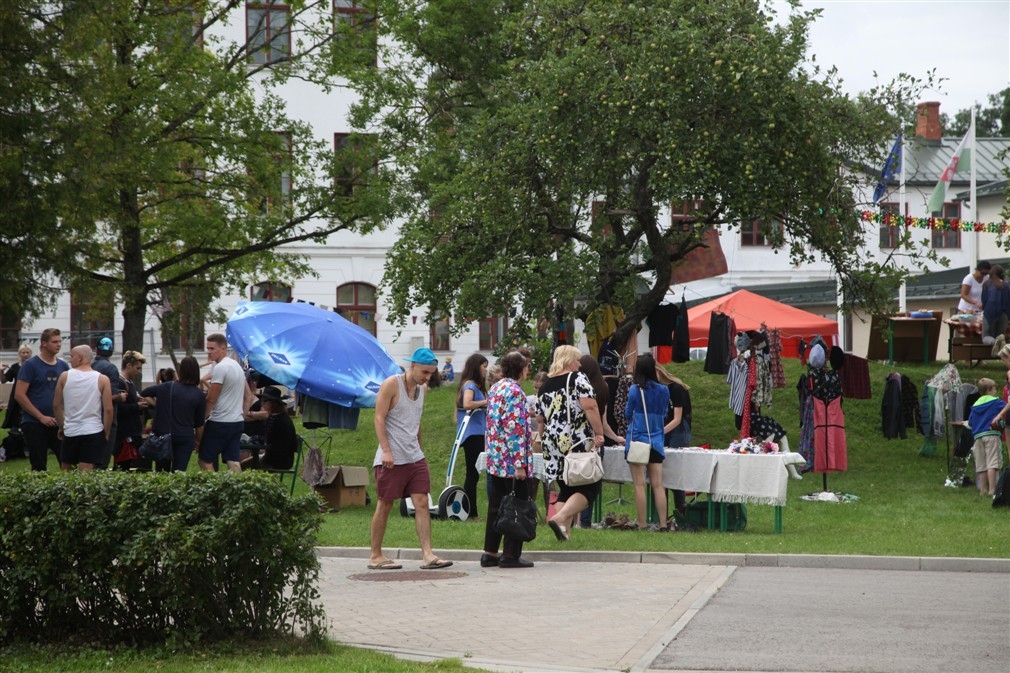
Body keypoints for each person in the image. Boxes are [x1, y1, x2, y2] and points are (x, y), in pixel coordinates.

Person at [368, 347, 453, 571]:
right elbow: (378, 418)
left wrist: (420, 448)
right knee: (385, 504)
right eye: (424, 372)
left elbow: (416, 421)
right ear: (412, 365)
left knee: (423, 502)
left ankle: (427, 555)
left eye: (430, 373)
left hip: (414, 456)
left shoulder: (422, 389)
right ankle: (375, 555)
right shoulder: (391, 384)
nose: (427, 377)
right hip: (391, 458)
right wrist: (386, 450)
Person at [537, 345, 605, 542]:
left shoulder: (544, 386)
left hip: (552, 442)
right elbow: (590, 406)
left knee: (567, 486)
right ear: (568, 360)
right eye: (577, 359)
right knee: (590, 486)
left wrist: (544, 442)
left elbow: (540, 419)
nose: (580, 363)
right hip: (575, 440)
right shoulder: (577, 378)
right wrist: (599, 433)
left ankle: (564, 533)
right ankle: (560, 517)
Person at [481, 350, 535, 568]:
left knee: (496, 505)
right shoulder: (515, 391)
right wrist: (520, 464)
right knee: (517, 505)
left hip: (496, 458)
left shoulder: (495, 388)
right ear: (521, 369)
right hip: (511, 461)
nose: (528, 370)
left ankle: (490, 552)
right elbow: (514, 429)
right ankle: (510, 555)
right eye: (527, 366)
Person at [624, 353, 670, 530]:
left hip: (637, 440)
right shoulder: (664, 390)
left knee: (639, 484)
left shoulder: (635, 390)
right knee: (658, 485)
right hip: (657, 440)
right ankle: (663, 523)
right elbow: (665, 413)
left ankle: (642, 524)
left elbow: (628, 414)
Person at [578, 354, 624, 528]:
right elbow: (603, 423)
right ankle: (585, 521)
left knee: (574, 480)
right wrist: (615, 437)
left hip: (578, 440)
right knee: (592, 483)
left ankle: (573, 519)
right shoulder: (603, 387)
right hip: (596, 442)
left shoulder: (576, 388)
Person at [15, 328, 70, 471]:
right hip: (34, 423)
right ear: (44, 343)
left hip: (58, 421)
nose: (58, 345)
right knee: (39, 465)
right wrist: (41, 417)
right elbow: (20, 394)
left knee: (67, 461)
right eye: (54, 342)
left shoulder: (63, 366)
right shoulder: (30, 365)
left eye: (60, 341)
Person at [140, 356, 207, 472]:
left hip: (163, 435)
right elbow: (199, 424)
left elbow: (144, 393)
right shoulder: (199, 395)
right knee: (179, 472)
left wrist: (156, 404)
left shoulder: (167, 387)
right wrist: (199, 442)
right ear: (197, 372)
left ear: (181, 371)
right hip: (185, 437)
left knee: (162, 473)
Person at [53, 345, 113, 472]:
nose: (70, 360)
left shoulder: (64, 376)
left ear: (80, 357)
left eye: (71, 356)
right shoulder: (102, 379)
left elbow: (57, 405)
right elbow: (108, 409)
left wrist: (62, 426)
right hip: (93, 429)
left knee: (66, 468)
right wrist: (106, 432)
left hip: (71, 430)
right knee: (86, 469)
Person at [199, 333, 253, 472]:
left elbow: (211, 399)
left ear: (223, 349)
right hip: (236, 422)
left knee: (205, 460)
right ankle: (239, 491)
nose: (209, 352)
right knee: (233, 460)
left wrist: (202, 419)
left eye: (212, 348)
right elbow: (249, 397)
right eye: (208, 348)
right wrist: (242, 415)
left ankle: (214, 491)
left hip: (219, 422)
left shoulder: (220, 368)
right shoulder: (237, 366)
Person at [455, 353, 489, 519]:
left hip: (477, 433)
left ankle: (470, 511)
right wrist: (485, 402)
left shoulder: (474, 385)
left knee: (474, 474)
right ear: (476, 367)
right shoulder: (470, 385)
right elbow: (467, 404)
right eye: (484, 367)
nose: (486, 370)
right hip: (473, 434)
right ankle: (471, 512)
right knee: (472, 474)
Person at [656, 364, 692, 518]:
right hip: (664, 425)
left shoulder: (676, 389)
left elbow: (677, 419)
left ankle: (680, 509)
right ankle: (661, 511)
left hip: (678, 429)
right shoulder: (657, 389)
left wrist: (658, 432)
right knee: (660, 470)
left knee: (675, 468)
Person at [964, 378, 1005, 497]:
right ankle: (993, 489)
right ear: (989, 390)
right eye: (994, 389)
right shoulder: (996, 402)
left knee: (981, 464)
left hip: (977, 437)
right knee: (992, 462)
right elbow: (1006, 409)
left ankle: (983, 490)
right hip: (991, 434)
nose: (996, 391)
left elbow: (971, 422)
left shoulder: (976, 404)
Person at [92, 337, 128, 469]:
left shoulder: (90, 366)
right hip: (106, 417)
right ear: (111, 352)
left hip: (90, 416)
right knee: (103, 458)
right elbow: (110, 396)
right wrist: (121, 397)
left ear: (96, 350)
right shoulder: (110, 368)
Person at [241, 386, 297, 470]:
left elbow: (269, 442)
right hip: (283, 459)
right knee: (245, 463)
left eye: (264, 401)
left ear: (273, 403)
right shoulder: (280, 417)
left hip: (277, 461)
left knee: (242, 466)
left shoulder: (277, 420)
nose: (262, 404)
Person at [114, 350, 149, 469]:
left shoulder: (130, 383)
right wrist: (137, 406)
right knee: (122, 465)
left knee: (129, 465)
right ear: (128, 365)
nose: (139, 372)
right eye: (137, 368)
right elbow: (119, 409)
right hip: (124, 432)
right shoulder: (120, 382)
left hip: (133, 430)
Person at [2, 344, 32, 437]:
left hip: (31, 395)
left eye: (27, 352)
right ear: (19, 354)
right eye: (23, 352)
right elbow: (4, 380)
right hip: (17, 397)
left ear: (31, 354)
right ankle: (15, 442)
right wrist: (1, 371)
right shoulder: (15, 367)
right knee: (16, 418)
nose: (25, 354)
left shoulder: (33, 366)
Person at [980, 264, 1010, 355]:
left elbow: (984, 300)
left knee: (986, 336)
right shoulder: (1006, 285)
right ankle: (999, 343)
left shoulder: (987, 285)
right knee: (1000, 335)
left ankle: (993, 342)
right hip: (1004, 314)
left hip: (990, 313)